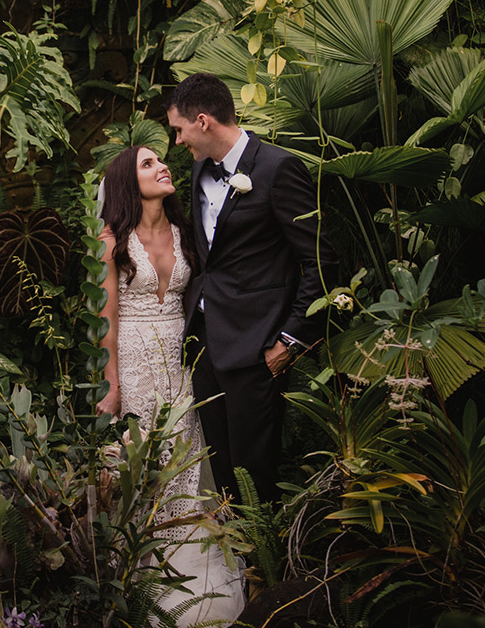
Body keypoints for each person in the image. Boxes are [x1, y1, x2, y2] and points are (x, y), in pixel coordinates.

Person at [166, 72, 336, 504]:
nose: (178, 142)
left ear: (203, 121)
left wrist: (290, 340)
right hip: (206, 343)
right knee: (221, 468)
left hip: (257, 347)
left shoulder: (279, 169)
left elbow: (321, 261)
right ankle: (233, 563)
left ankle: (264, 567)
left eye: (179, 130)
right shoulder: (198, 171)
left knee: (254, 473)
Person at [96, 145, 245, 627]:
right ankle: (141, 584)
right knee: (142, 468)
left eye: (161, 159)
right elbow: (108, 320)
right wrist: (111, 385)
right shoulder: (112, 240)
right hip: (134, 362)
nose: (162, 166)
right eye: (148, 163)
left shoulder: (187, 235)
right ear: (126, 181)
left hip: (180, 365)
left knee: (184, 463)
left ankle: (194, 585)